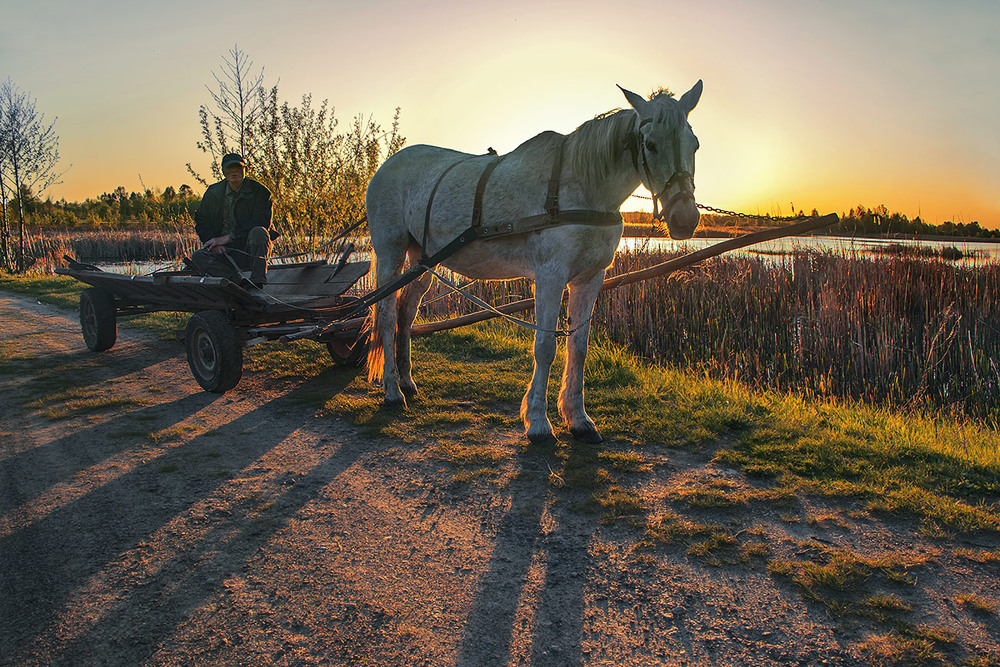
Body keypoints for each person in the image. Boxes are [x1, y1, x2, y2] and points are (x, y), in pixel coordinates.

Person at [191, 153, 274, 288]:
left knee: (259, 232)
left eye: (238, 167)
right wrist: (214, 242)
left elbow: (262, 221)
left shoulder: (260, 192)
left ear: (245, 170)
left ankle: (258, 281)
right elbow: (201, 221)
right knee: (198, 256)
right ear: (223, 171)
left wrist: (228, 238)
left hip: (249, 249)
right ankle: (238, 282)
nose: (234, 171)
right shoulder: (213, 192)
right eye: (230, 168)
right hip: (223, 251)